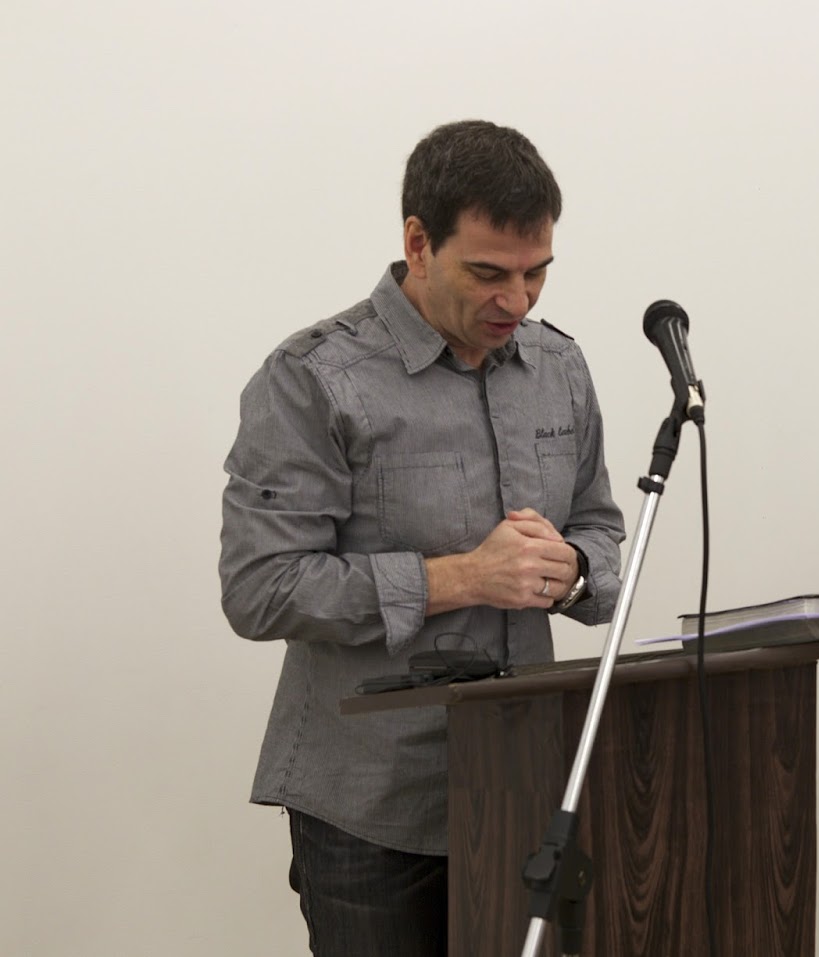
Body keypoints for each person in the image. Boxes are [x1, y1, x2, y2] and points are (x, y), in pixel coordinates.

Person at [219, 120, 626, 957]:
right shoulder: (311, 379)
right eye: (489, 273)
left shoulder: (560, 368)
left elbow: (603, 533)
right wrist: (465, 578)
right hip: (372, 810)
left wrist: (576, 570)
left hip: (527, 789)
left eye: (537, 272)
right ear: (417, 242)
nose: (518, 301)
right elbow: (260, 588)